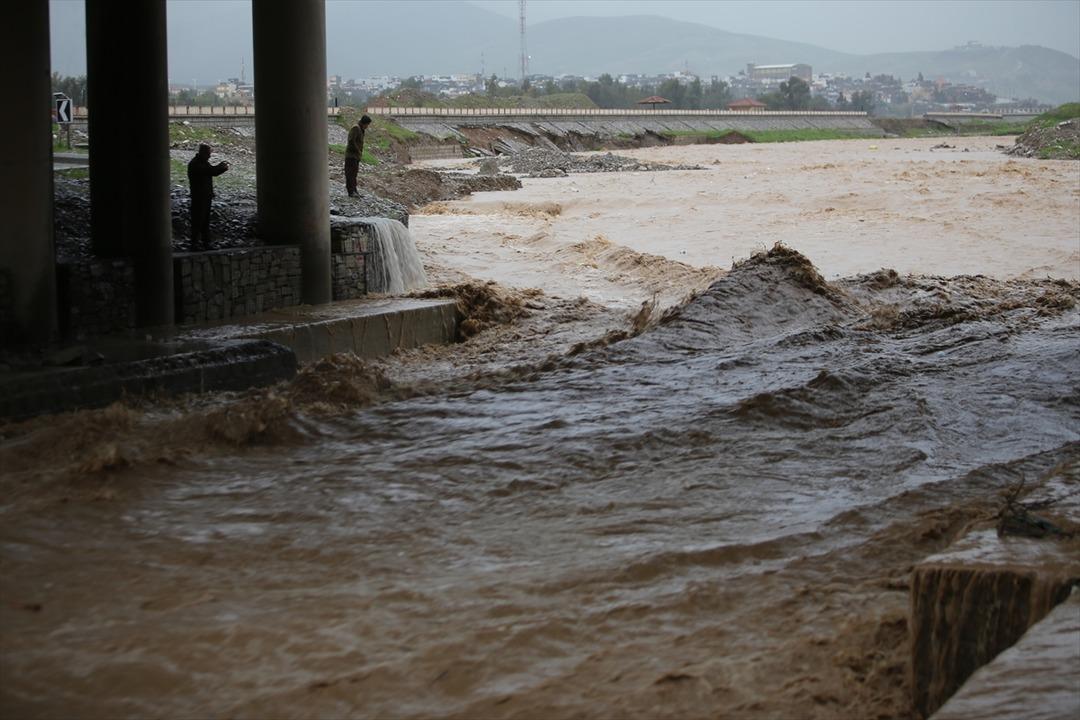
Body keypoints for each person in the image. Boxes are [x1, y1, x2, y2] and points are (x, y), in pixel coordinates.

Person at [187, 143, 229, 250]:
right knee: (198, 221)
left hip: (205, 197)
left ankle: (205, 243)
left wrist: (220, 167)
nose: (210, 156)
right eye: (208, 153)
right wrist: (222, 167)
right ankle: (194, 244)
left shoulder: (202, 162)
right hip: (199, 197)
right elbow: (211, 171)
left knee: (205, 221)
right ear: (203, 153)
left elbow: (211, 171)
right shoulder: (195, 164)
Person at [344, 114, 372, 197]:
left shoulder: (361, 129)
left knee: (354, 174)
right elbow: (351, 141)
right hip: (351, 156)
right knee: (350, 174)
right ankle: (351, 192)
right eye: (367, 124)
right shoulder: (356, 128)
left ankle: (354, 191)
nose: (367, 126)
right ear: (364, 123)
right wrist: (358, 150)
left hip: (356, 156)